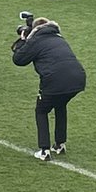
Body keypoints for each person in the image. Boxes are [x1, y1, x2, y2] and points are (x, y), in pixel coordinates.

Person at [11, 17, 87, 162]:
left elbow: (18, 60)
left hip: (55, 80)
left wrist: (22, 40)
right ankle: (60, 144)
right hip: (78, 78)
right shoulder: (59, 38)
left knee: (41, 110)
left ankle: (44, 150)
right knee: (60, 105)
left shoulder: (36, 41)